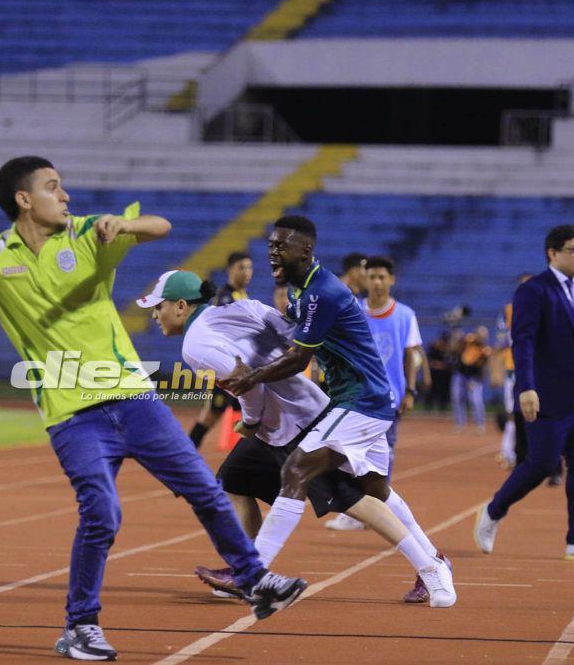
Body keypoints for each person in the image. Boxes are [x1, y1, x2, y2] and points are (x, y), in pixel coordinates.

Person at [0, 155, 306, 661]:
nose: (66, 195)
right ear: (23, 199)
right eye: (54, 187)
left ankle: (255, 581)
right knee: (101, 514)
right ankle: (80, 627)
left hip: (132, 398)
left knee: (205, 489)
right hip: (72, 415)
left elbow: (160, 226)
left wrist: (127, 223)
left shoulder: (85, 236)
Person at [140, 269, 450, 605]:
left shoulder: (196, 345)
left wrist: (251, 420)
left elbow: (249, 384)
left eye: (158, 307)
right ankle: (249, 569)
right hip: (294, 413)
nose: (155, 315)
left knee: (353, 498)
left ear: (182, 306)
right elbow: (291, 334)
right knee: (233, 479)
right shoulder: (241, 309)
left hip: (294, 421)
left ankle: (430, 564)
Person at [221, 216, 456, 606]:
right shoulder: (301, 292)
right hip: (357, 399)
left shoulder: (320, 293)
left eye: (282, 245)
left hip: (362, 401)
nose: (272, 252)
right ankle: (433, 565)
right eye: (270, 245)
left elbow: (298, 359)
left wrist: (252, 377)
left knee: (296, 469)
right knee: (377, 492)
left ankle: (254, 574)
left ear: (306, 251)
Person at [474, 224, 574, 561]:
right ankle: (494, 510)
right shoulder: (534, 291)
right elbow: (523, 340)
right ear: (552, 253)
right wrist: (526, 387)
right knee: (542, 463)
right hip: (548, 393)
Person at [325, 255, 427, 531]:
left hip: (389, 397)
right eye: (372, 277)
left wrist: (411, 391)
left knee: (385, 453)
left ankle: (375, 507)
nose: (378, 282)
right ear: (364, 278)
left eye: (383, 277)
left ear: (391, 280)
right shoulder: (353, 311)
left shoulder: (405, 315)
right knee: (345, 453)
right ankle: (355, 508)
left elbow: (410, 354)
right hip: (355, 395)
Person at [185, 251, 253, 448]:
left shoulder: (242, 295)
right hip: (229, 368)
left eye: (249, 268)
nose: (247, 272)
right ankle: (187, 457)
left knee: (215, 418)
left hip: (238, 369)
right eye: (242, 267)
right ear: (230, 270)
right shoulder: (226, 298)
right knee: (210, 418)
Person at [496, 274, 533, 468]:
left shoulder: (546, 308)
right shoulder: (508, 311)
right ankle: (508, 452)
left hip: (539, 369)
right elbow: (501, 340)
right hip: (514, 367)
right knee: (514, 413)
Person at [451, 326, 492, 433]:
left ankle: (480, 424)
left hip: (474, 377)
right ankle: (459, 424)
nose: (481, 337)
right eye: (479, 334)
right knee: (457, 397)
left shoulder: (485, 350)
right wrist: (457, 337)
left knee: (476, 400)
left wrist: (475, 380)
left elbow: (482, 367)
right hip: (460, 374)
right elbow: (455, 349)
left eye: (483, 336)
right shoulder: (468, 341)